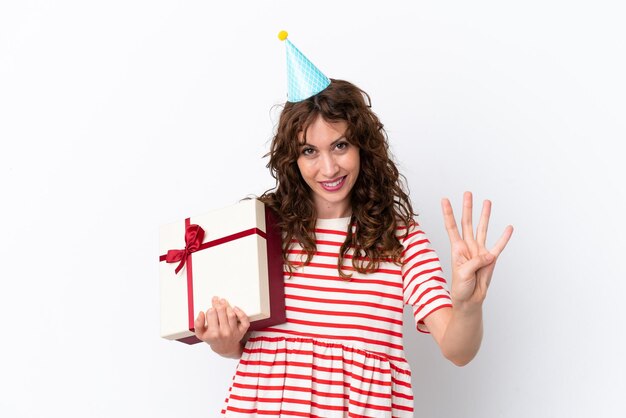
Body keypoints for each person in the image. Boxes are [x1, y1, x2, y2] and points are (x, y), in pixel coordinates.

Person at [193, 34, 513, 417]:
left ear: (364, 146)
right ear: (292, 159)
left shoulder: (400, 239)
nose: (328, 169)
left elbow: (458, 350)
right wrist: (222, 341)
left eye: (341, 146)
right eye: (309, 151)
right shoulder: (264, 229)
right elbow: (245, 348)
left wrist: (468, 304)